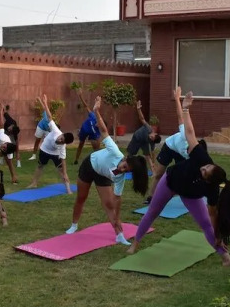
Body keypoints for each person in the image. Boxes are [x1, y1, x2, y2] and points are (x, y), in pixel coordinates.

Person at [128, 87, 230, 268]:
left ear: (208, 181)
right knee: (152, 212)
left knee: (205, 224)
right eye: (207, 167)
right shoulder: (201, 157)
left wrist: (217, 235)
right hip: (170, 181)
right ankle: (135, 243)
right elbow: (189, 132)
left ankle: (226, 258)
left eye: (205, 172)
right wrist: (186, 107)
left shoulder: (212, 190)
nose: (203, 168)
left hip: (190, 194)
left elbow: (212, 215)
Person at [66, 96, 149, 246]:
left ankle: (119, 235)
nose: (122, 170)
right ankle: (74, 225)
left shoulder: (120, 178)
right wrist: (97, 111)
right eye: (124, 166)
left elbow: (117, 199)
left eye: (126, 171)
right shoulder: (115, 151)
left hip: (102, 175)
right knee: (81, 197)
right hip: (89, 166)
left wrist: (117, 217)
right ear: (124, 159)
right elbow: (103, 130)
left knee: (109, 204)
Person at [144, 95, 191, 205]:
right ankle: (151, 196)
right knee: (159, 173)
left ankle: (184, 194)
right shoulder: (185, 135)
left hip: (180, 154)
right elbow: (180, 116)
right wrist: (177, 99)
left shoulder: (193, 155)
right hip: (170, 146)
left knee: (184, 174)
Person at [27, 94, 75, 192]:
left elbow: (63, 160)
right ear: (62, 134)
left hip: (54, 154)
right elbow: (49, 117)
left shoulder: (62, 146)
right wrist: (45, 103)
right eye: (61, 139)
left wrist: (65, 173)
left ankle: (68, 189)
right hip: (44, 150)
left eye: (62, 142)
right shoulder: (56, 130)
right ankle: (34, 183)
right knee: (40, 166)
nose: (60, 141)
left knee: (61, 171)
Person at [126, 100, 161, 172]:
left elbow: (152, 152)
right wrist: (138, 109)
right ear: (154, 133)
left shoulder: (151, 142)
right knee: (131, 154)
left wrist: (153, 162)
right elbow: (142, 119)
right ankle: (125, 164)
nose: (151, 137)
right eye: (152, 136)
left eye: (152, 139)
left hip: (144, 142)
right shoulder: (148, 128)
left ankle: (153, 170)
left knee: (147, 155)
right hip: (137, 138)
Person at [73, 88, 102, 165]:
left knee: (96, 148)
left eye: (99, 125)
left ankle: (98, 162)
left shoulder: (97, 132)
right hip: (84, 130)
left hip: (92, 134)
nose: (97, 124)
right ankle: (76, 159)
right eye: (98, 123)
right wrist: (80, 96)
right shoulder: (93, 116)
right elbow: (86, 107)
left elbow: (99, 140)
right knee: (81, 144)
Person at [0, 96, 21, 168]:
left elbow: (1, 123)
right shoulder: (9, 120)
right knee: (2, 146)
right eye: (10, 128)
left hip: (12, 137)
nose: (9, 128)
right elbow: (3, 108)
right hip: (6, 134)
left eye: (10, 129)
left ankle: (18, 162)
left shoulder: (14, 133)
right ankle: (1, 160)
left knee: (17, 149)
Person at [28, 96, 52, 160]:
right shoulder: (45, 115)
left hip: (47, 130)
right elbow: (43, 107)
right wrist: (40, 100)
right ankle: (34, 155)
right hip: (40, 127)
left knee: (48, 142)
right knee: (37, 140)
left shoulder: (52, 123)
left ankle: (48, 155)